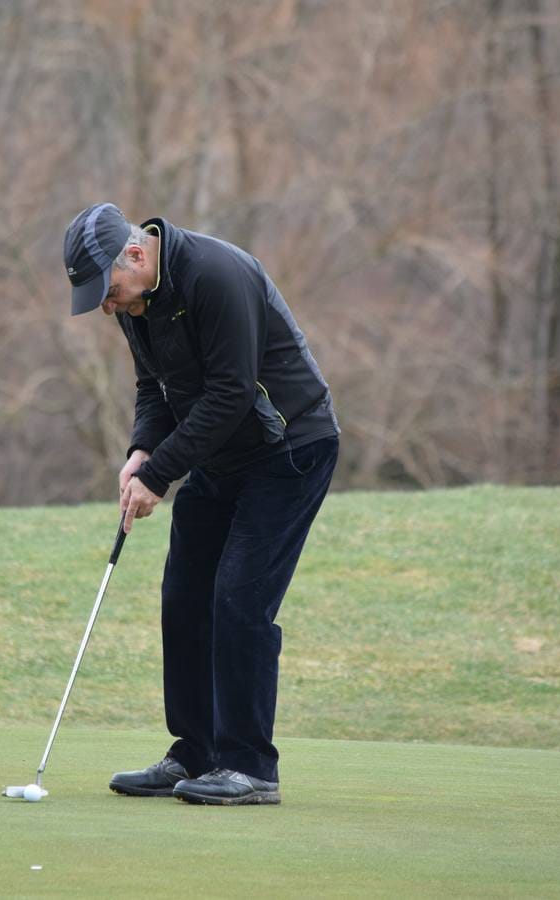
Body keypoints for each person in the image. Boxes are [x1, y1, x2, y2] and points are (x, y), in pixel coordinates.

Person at [62, 203, 339, 805]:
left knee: (239, 599)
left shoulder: (216, 275)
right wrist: (141, 450)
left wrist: (159, 474)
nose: (107, 307)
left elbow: (232, 393)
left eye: (106, 292)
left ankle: (249, 767)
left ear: (135, 255)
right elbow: (152, 388)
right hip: (221, 453)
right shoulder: (136, 300)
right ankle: (196, 751)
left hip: (289, 448)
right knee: (184, 596)